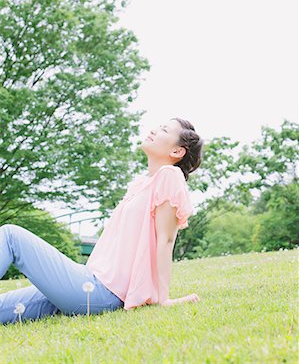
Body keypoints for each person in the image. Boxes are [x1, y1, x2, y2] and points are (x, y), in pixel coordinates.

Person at [0, 117, 204, 325]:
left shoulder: (169, 175)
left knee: (10, 236)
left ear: (177, 151)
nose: (154, 130)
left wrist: (164, 299)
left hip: (100, 291)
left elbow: (166, 240)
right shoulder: (141, 183)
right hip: (86, 281)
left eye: (164, 130)